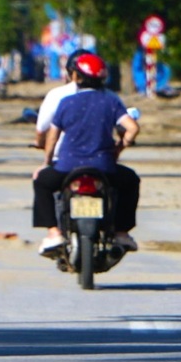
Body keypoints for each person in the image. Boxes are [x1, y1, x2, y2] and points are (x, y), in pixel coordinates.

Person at [35, 52, 140, 254]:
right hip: (104, 167)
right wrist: (120, 147)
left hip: (67, 167)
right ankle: (121, 233)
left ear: (75, 77)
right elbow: (132, 128)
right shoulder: (111, 102)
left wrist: (46, 162)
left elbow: (52, 137)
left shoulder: (66, 102)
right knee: (130, 180)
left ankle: (53, 233)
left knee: (42, 182)